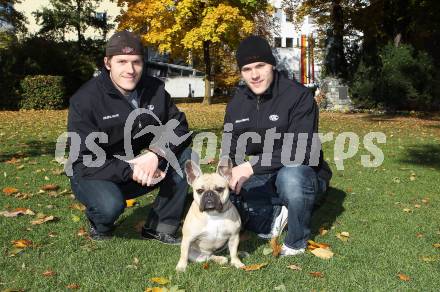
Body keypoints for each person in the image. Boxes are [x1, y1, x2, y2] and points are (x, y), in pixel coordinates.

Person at [67, 30, 192, 243]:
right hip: (94, 172)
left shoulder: (155, 89)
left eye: (136, 62)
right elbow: (84, 159)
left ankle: (160, 226)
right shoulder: (85, 100)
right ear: (108, 63)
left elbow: (179, 127)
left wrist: (156, 154)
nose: (130, 70)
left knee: (186, 155)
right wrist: (131, 169)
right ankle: (100, 222)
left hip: (142, 166)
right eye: (122, 61)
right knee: (110, 206)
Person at [223, 35, 332, 256]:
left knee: (291, 178)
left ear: (272, 64)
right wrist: (226, 173)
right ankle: (275, 213)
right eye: (247, 69)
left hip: (301, 171)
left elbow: (302, 150)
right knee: (228, 199)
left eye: (260, 66)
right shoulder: (236, 103)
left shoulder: (299, 96)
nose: (254, 75)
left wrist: (250, 167)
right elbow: (230, 149)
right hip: (262, 174)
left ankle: (296, 242)